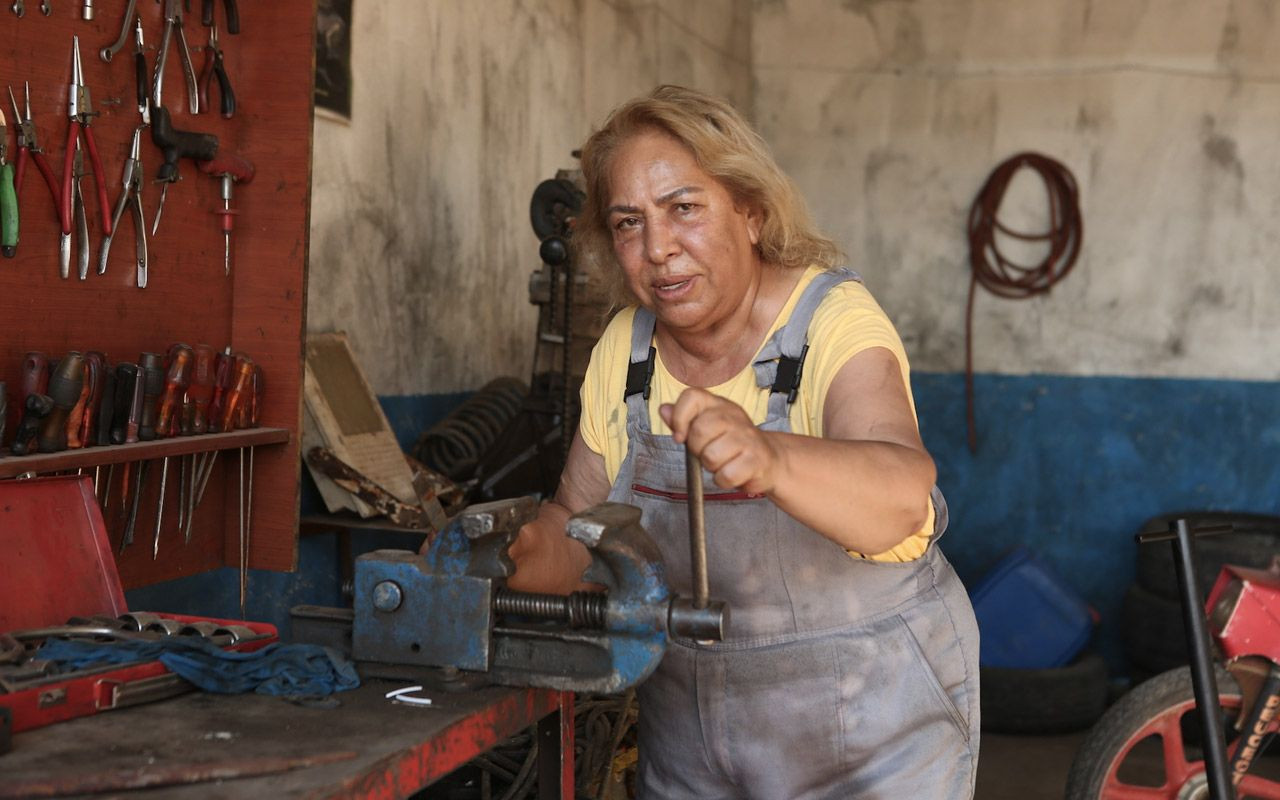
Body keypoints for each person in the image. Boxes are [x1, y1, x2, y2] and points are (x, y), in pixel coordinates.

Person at [507, 85, 980, 799]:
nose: (659, 248)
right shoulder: (625, 355)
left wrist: (772, 457)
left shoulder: (830, 322)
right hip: (696, 744)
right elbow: (578, 522)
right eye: (629, 223)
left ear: (751, 212)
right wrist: (506, 561)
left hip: (874, 734)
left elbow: (900, 497)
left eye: (684, 208)